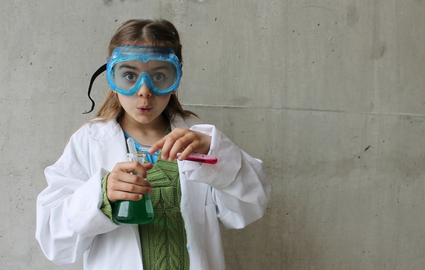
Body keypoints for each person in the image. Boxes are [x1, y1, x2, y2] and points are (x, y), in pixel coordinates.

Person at [35, 19, 271, 270]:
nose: (144, 91)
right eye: (129, 76)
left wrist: (217, 154)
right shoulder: (89, 142)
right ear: (111, 77)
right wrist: (102, 195)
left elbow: (250, 206)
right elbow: (54, 240)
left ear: (175, 77)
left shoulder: (197, 136)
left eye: (159, 76)